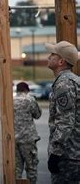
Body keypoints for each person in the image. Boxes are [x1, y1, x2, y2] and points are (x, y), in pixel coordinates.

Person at [44, 40, 80, 183]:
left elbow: (65, 121)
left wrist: (56, 153)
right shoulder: (75, 80)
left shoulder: (63, 83)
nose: (48, 57)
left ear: (61, 62)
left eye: (52, 54)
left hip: (67, 155)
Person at [13, 81, 42, 183]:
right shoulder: (30, 100)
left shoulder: (10, 100)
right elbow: (37, 115)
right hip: (28, 139)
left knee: (16, 169)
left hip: (13, 140)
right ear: (26, 90)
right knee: (31, 168)